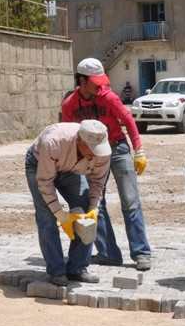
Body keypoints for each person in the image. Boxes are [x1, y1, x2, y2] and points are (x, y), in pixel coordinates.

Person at [61, 57, 153, 271]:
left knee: (130, 202)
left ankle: (141, 253)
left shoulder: (108, 97)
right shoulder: (70, 105)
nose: (100, 85)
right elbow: (68, 134)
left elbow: (128, 120)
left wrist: (138, 150)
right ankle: (109, 254)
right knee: (95, 204)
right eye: (95, 82)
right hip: (91, 155)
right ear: (82, 81)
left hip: (117, 148)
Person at [26, 120, 112, 286]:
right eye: (92, 150)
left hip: (71, 169)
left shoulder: (103, 151)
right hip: (39, 163)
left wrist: (93, 208)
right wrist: (60, 214)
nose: (96, 155)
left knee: (86, 213)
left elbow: (97, 182)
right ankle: (56, 271)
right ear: (80, 140)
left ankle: (77, 268)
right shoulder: (53, 142)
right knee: (47, 217)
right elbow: (45, 182)